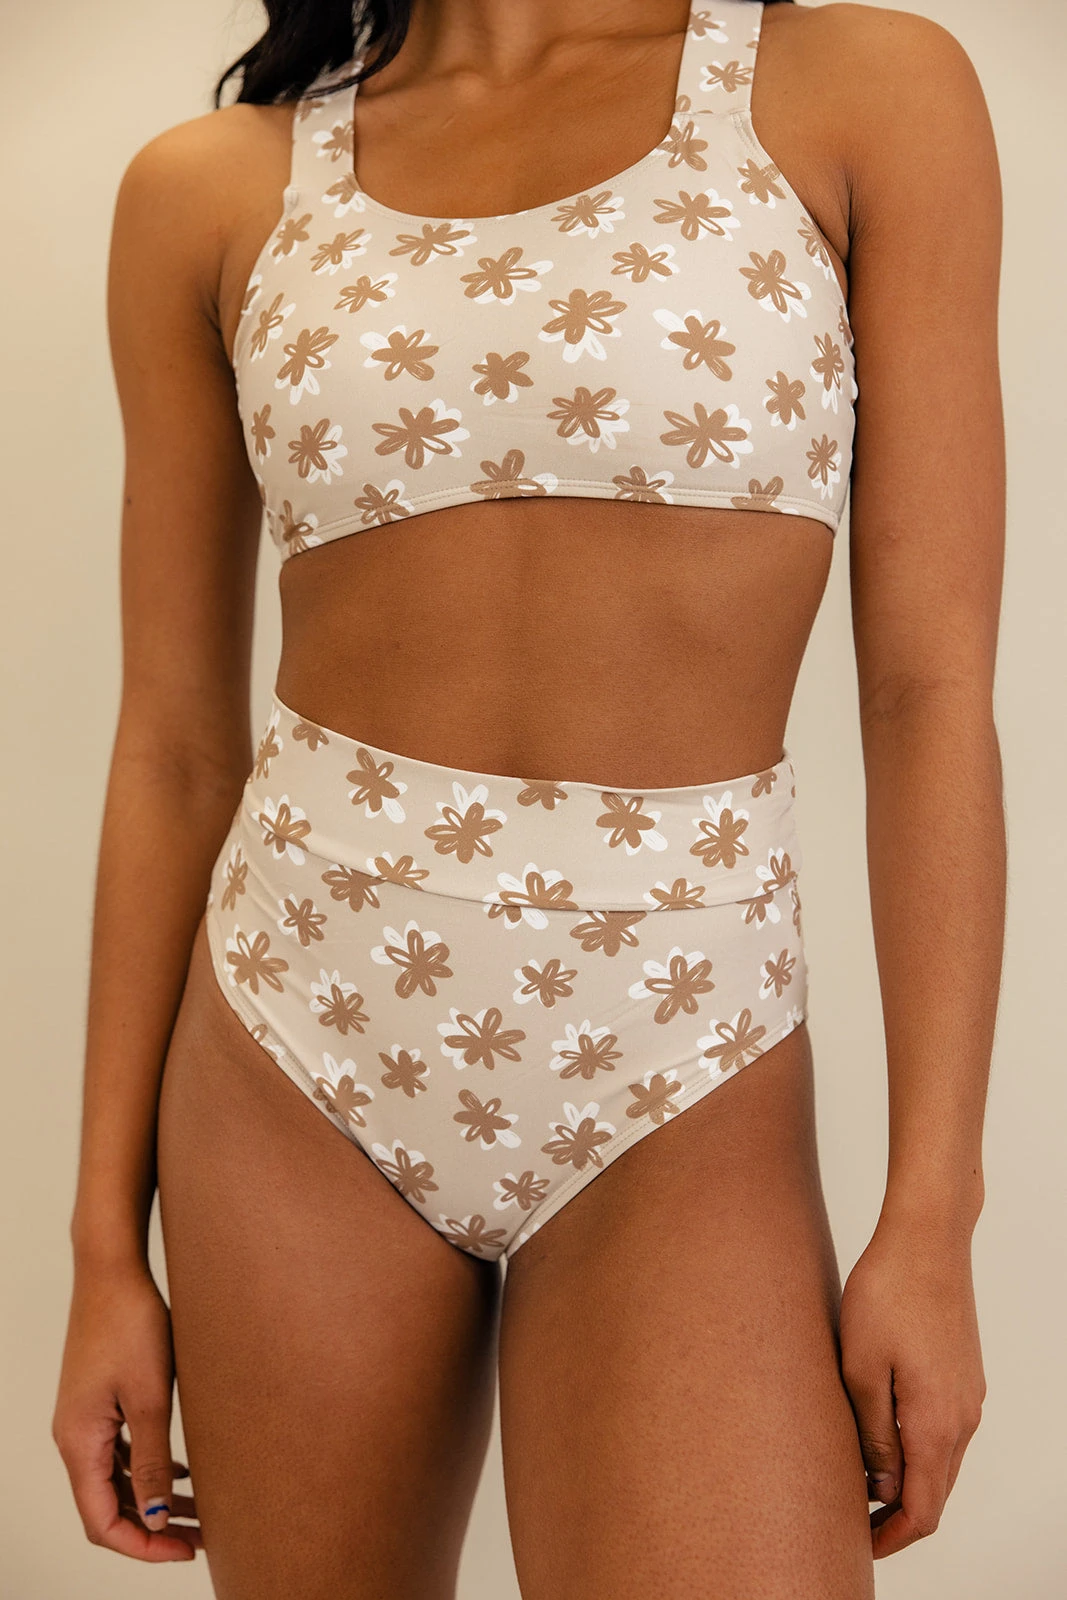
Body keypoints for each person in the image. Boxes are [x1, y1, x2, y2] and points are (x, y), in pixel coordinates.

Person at [52, 0, 1004, 1593]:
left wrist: (932, 1216)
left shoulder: (854, 92)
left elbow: (928, 696)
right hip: (296, 1041)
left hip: (685, 1053)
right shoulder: (212, 187)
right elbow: (172, 745)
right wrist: (100, 1251)